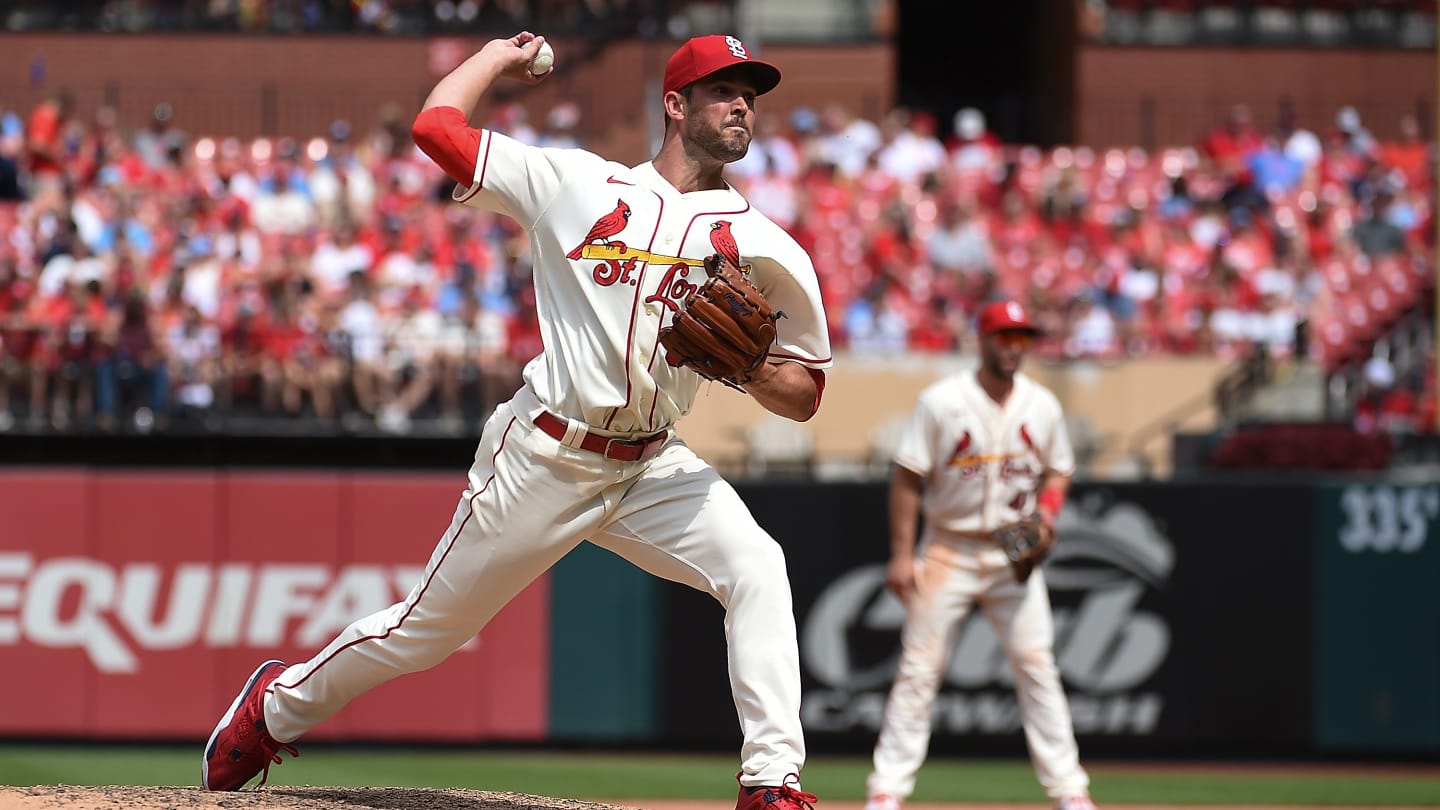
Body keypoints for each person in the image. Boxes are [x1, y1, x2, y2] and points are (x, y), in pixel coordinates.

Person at [201, 31, 832, 810]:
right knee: (423, 633)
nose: (743, 105)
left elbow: (805, 395)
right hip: (545, 453)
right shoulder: (578, 183)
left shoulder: (768, 245)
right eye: (723, 90)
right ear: (675, 104)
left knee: (758, 567)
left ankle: (771, 783)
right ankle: (275, 707)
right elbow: (437, 131)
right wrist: (498, 57)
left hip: (650, 465)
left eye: (751, 94)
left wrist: (754, 368)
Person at [864, 300, 1095, 810]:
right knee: (919, 670)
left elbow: (1059, 469)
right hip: (950, 546)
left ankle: (1070, 791)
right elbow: (907, 479)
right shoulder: (942, 401)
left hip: (1012, 553)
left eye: (1022, 337)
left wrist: (1050, 515)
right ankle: (887, 790)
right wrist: (903, 554)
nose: (1014, 346)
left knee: (1037, 667)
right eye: (1004, 336)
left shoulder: (1042, 403)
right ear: (982, 340)